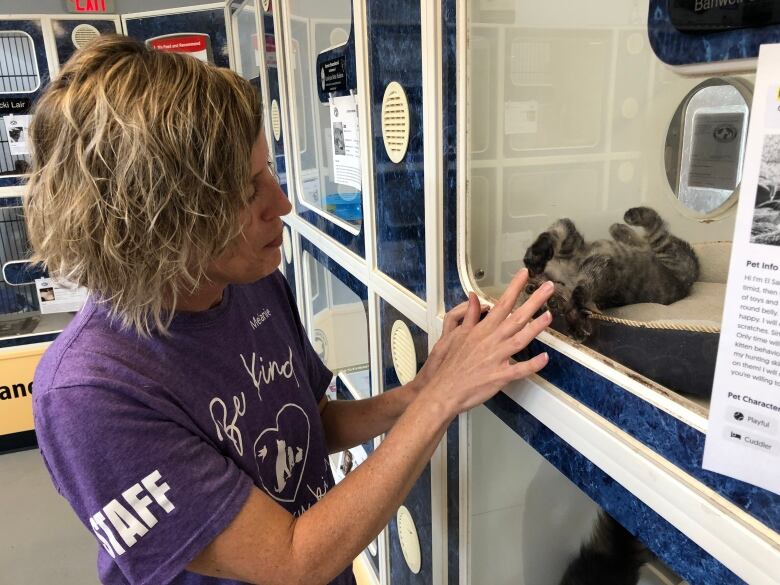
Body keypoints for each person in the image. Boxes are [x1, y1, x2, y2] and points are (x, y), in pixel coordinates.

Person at [25, 36, 554, 585]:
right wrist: (439, 403)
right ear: (158, 219)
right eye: (246, 191)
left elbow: (309, 425)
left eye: (268, 173)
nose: (280, 204)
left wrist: (420, 391)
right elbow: (290, 560)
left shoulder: (249, 284)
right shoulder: (90, 395)